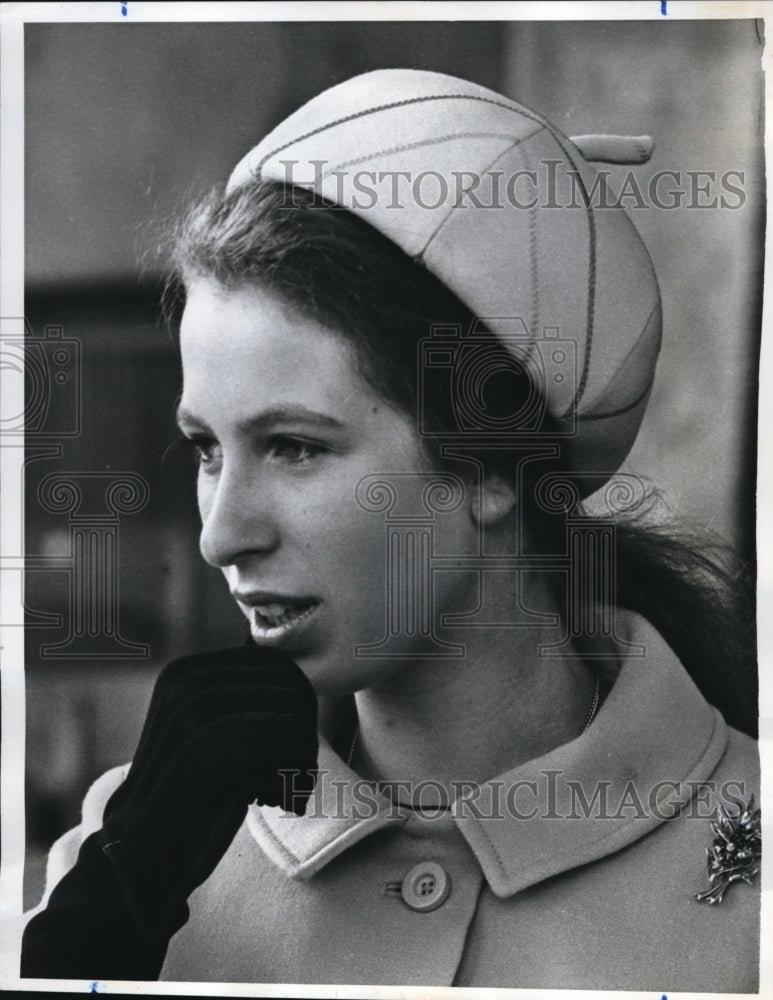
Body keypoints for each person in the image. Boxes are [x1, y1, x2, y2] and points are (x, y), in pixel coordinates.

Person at [21, 69, 759, 991]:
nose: (219, 536)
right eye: (206, 449)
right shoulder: (132, 859)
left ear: (491, 466)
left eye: (293, 447)